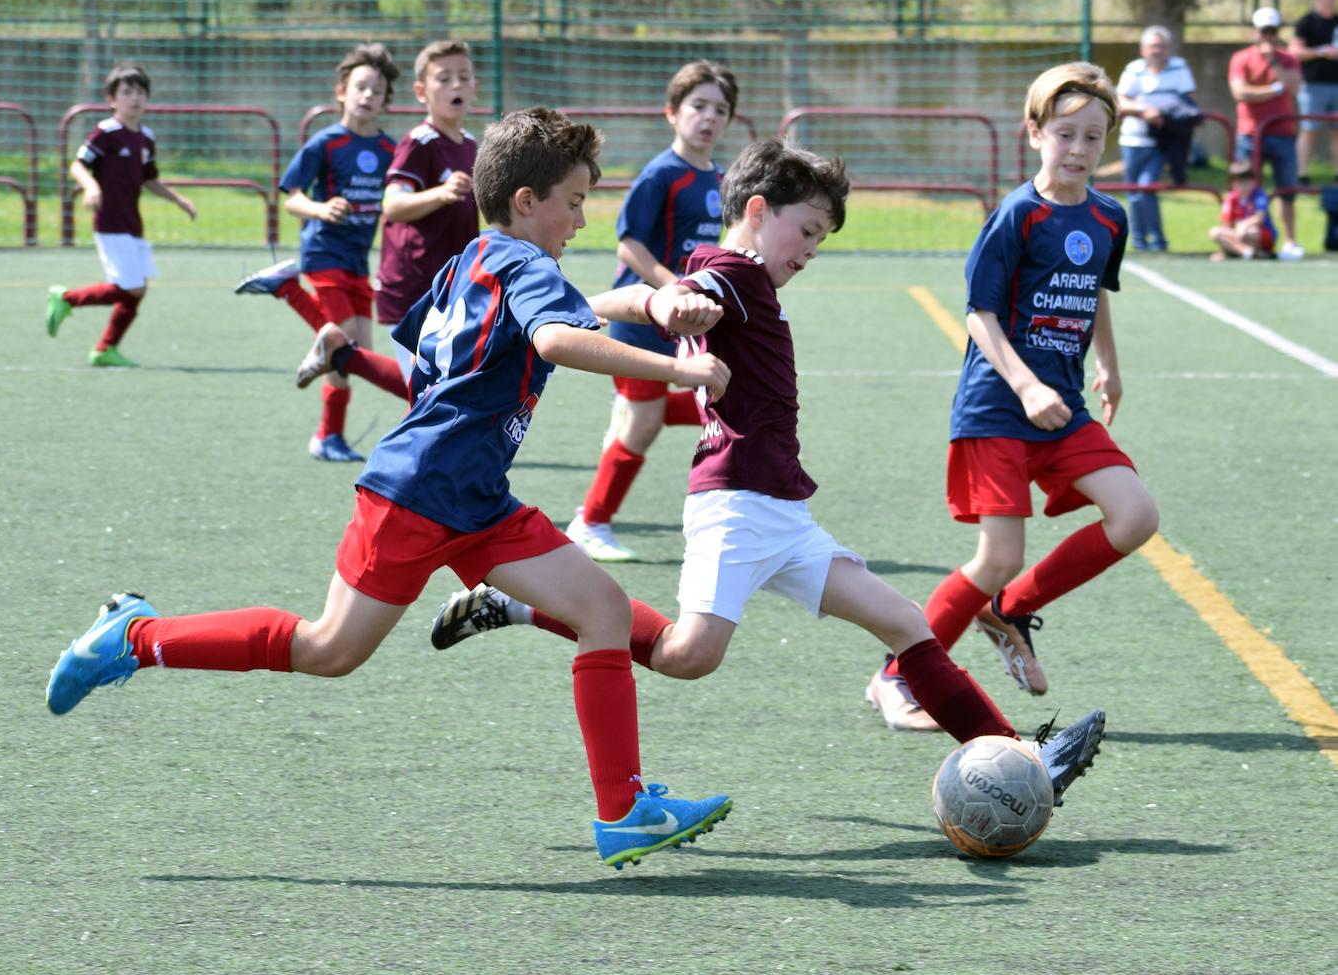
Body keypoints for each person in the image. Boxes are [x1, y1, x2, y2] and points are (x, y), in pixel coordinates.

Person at [45, 107, 736, 871]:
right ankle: (134, 639)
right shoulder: (529, 269)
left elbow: (455, 355)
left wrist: (646, 303)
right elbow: (554, 337)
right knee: (327, 650)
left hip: (475, 497)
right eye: (573, 202)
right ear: (526, 201)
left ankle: (623, 811)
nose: (581, 219)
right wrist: (678, 367)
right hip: (419, 494)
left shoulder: (473, 259)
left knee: (602, 610)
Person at [429, 135, 1107, 807]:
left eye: (820, 240)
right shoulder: (735, 272)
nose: (810, 250)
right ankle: (521, 603)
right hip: (735, 502)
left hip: (780, 507)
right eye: (806, 231)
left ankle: (1024, 757)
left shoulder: (729, 272)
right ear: (757, 210)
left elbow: (657, 293)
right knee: (687, 656)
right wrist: (662, 303)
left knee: (905, 622)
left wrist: (606, 304)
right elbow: (671, 294)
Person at [865, 62, 1157, 730]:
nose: (1078, 149)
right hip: (998, 407)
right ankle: (895, 676)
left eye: (1093, 137)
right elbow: (980, 314)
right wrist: (1024, 385)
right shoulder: (1017, 214)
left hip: (1063, 408)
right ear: (1034, 134)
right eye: (1065, 134)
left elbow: (1095, 292)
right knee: (997, 557)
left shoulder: (1109, 217)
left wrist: (1109, 365)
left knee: (1135, 516)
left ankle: (1011, 608)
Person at [566, 60, 739, 562]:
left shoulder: (720, 178)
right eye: (698, 106)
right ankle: (589, 522)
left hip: (678, 319)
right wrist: (672, 288)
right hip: (639, 317)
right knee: (645, 423)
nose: (709, 117)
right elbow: (629, 245)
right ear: (672, 112)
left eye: (720, 110)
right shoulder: (661, 174)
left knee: (720, 395)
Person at [234, 43, 409, 462]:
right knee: (340, 342)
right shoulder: (325, 143)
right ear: (341, 92)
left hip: (357, 259)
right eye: (360, 87)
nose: (368, 95)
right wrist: (320, 208)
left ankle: (330, 436)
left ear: (386, 100)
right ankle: (328, 436)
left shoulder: (391, 150)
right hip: (324, 251)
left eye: (377, 90)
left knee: (357, 353)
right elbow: (292, 198)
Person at [45, 61, 197, 367]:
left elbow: (149, 179)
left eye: (140, 92)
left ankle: (104, 350)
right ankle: (67, 299)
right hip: (110, 222)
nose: (135, 98)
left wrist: (178, 200)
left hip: (132, 223)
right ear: (112, 100)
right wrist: (91, 187)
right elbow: (78, 165)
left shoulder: (146, 137)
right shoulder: (107, 132)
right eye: (127, 92)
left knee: (136, 292)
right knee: (131, 287)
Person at [376, 39, 481, 378]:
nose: (456, 85)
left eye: (463, 77)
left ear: (475, 87)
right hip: (414, 288)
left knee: (441, 387)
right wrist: (442, 193)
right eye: (444, 78)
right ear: (421, 92)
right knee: (424, 391)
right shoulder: (418, 143)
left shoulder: (471, 145)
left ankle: (344, 353)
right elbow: (393, 206)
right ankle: (344, 354)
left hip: (451, 286)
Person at [1229, 7, 1305, 260]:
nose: (1268, 37)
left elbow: (1294, 87)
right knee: (1246, 190)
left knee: (1287, 190)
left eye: (1272, 31)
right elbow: (1241, 92)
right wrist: (1276, 89)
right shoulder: (1241, 58)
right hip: (1250, 134)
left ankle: (1290, 241)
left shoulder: (1288, 59)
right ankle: (1242, 241)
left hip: (1283, 133)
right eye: (1264, 31)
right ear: (1255, 32)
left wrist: (1273, 62)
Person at [1116, 26, 1198, 252]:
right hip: (1132, 141)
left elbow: (1188, 102)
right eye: (1153, 46)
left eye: (1161, 46)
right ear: (1143, 50)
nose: (1157, 51)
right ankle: (1139, 242)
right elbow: (1120, 101)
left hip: (1162, 141)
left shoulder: (1179, 67)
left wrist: (1163, 113)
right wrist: (1144, 110)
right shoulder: (1133, 70)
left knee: (1146, 187)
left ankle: (1158, 240)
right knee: (1134, 193)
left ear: (1168, 49)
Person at [1289, 0, 1338, 185]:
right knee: (1309, 129)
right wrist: (1320, 51)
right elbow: (1294, 51)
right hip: (1312, 85)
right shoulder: (1307, 22)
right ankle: (1301, 175)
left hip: (1336, 84)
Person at [1209, 160, 1278, 260]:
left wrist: (1243, 225)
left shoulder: (1259, 195)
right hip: (1238, 234)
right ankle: (1246, 252)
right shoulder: (1231, 199)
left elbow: (1260, 218)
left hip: (1258, 235)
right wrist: (1223, 250)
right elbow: (1227, 224)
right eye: (1240, 183)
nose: (1243, 187)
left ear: (1253, 181)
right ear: (1233, 184)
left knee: (1251, 232)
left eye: (1246, 182)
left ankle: (1259, 252)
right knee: (1215, 232)